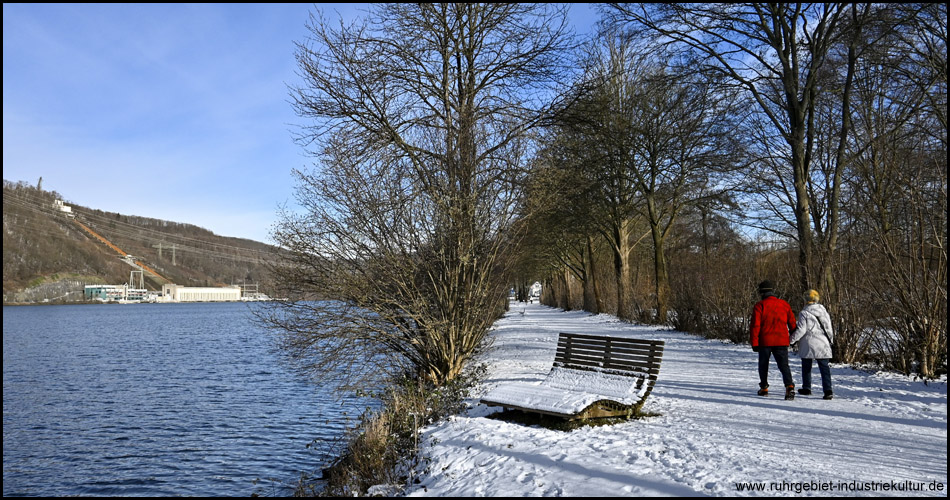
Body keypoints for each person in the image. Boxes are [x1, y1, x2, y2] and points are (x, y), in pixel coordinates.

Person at [749, 280, 797, 400]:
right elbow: (792, 323)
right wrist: (794, 337)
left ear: (761, 292)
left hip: (765, 341)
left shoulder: (760, 306)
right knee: (784, 365)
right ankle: (789, 386)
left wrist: (754, 343)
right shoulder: (784, 304)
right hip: (781, 340)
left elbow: (755, 326)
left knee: (763, 365)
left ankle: (764, 388)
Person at [790, 289, 835, 400]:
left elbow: (801, 330)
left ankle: (806, 388)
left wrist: (791, 340)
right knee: (824, 368)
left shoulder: (804, 313)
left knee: (806, 366)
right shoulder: (823, 311)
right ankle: (828, 390)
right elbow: (829, 327)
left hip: (809, 342)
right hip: (823, 342)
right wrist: (831, 340)